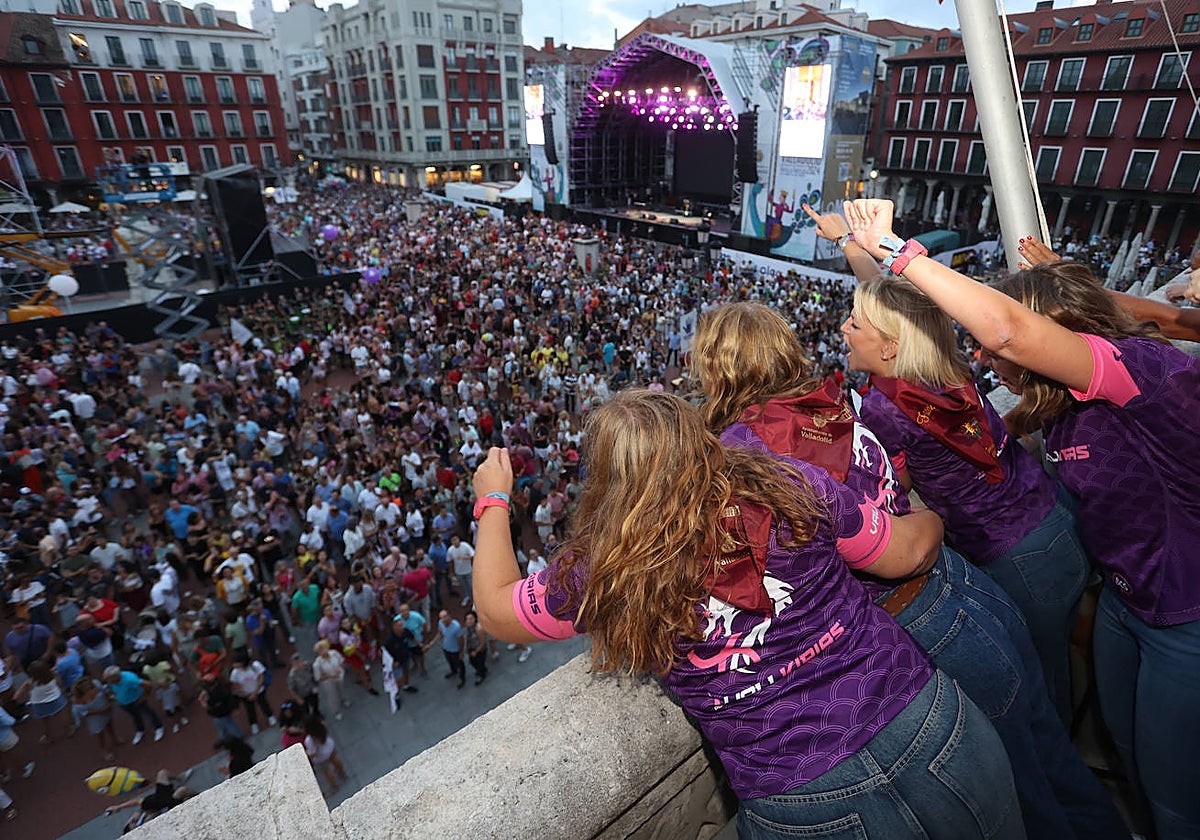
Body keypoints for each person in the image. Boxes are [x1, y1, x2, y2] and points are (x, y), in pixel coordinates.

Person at [469, 392, 1024, 838]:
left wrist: (493, 499)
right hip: (925, 720)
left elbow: (496, 610)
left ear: (609, 481)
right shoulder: (788, 484)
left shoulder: (604, 570)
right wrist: (930, 516)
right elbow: (906, 553)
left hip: (798, 793)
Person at [692, 301, 1126, 840]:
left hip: (916, 619)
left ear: (715, 366)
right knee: (1051, 757)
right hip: (964, 585)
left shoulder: (745, 452)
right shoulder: (831, 401)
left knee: (1028, 795)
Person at [843, 196, 1200, 840]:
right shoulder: (1055, 401)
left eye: (990, 347)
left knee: (1174, 795)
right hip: (1125, 601)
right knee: (1125, 747)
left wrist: (893, 249)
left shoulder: (1139, 372)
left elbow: (1011, 331)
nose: (981, 359)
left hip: (1184, 617)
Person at [841, 278, 1090, 723]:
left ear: (890, 347)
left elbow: (894, 485)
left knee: (1041, 692)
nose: (844, 328)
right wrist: (850, 247)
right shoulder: (944, 362)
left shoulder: (883, 407)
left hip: (1013, 551)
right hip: (1052, 513)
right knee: (1064, 656)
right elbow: (903, 306)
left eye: (855, 324)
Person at [103, 665, 164, 745]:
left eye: (109, 678)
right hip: (124, 703)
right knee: (135, 716)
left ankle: (158, 727)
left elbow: (148, 684)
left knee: (148, 713)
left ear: (116, 676)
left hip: (137, 700)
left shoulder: (129, 679)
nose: (107, 680)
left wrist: (144, 696)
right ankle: (140, 730)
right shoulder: (112, 682)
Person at [229, 649, 276, 735]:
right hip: (245, 694)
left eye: (236, 662)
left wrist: (255, 692)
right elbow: (236, 685)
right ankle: (254, 724)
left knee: (264, 704)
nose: (233, 665)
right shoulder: (235, 673)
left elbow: (261, 677)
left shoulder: (255, 666)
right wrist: (246, 694)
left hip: (259, 691)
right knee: (250, 709)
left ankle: (270, 716)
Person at [303, 716, 347, 795]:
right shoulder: (322, 725)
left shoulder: (309, 740)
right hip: (330, 747)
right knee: (336, 759)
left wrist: (306, 754)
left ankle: (335, 786)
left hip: (321, 757)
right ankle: (342, 773)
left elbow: (314, 753)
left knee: (327, 772)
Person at [424, 610, 466, 688]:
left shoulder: (456, 626)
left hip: (455, 650)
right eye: (441, 618)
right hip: (446, 648)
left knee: (459, 664)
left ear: (449, 616)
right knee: (450, 662)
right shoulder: (440, 623)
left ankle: (462, 678)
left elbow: (461, 640)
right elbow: (439, 634)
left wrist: (461, 652)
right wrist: (430, 644)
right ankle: (453, 671)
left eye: (444, 617)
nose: (443, 620)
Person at [312, 639, 348, 720]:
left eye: (324, 648)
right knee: (332, 696)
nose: (324, 651)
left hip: (339, 676)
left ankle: (343, 700)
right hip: (328, 682)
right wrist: (331, 676)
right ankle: (336, 712)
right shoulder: (317, 664)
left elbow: (341, 660)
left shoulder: (334, 653)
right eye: (320, 650)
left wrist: (340, 668)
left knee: (341, 689)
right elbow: (318, 677)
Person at [287, 653, 321, 719]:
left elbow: (314, 673)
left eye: (300, 662)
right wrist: (298, 699)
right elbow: (291, 689)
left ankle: (317, 714)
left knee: (315, 703)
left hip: (312, 690)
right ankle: (309, 719)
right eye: (296, 663)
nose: (299, 664)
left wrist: (316, 684)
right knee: (305, 709)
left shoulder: (308, 666)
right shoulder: (292, 675)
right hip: (302, 695)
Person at [463, 610, 489, 686]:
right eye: (467, 619)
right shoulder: (468, 628)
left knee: (479, 663)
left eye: (471, 619)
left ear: (475, 619)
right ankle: (482, 670)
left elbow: (483, 642)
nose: (469, 621)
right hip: (471, 648)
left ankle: (482, 675)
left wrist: (476, 651)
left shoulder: (478, 629)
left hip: (479, 649)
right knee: (472, 662)